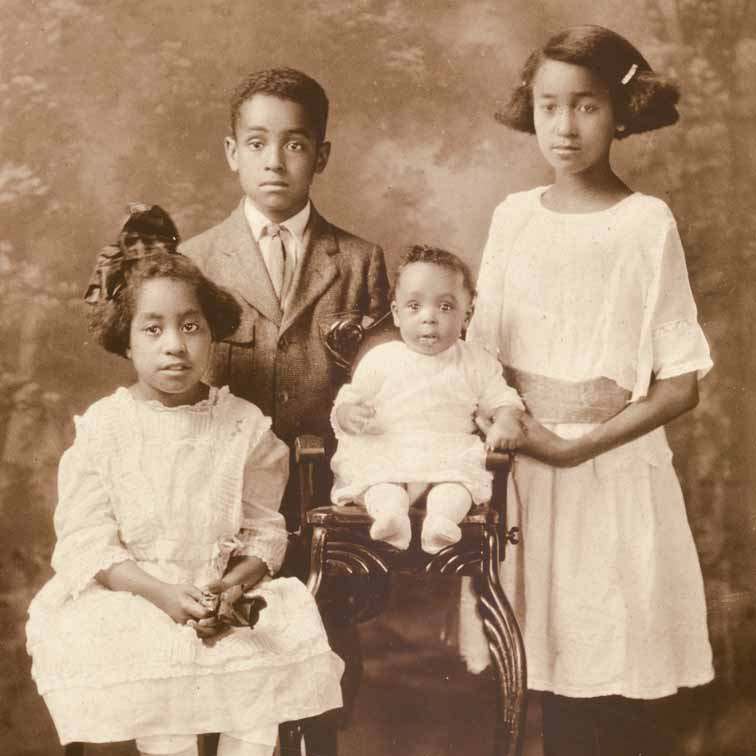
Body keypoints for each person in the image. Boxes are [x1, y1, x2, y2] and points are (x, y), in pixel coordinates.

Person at [458, 25, 715, 756]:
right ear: (530, 111)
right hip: (526, 477)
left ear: (622, 111)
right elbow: (479, 355)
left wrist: (575, 450)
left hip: (610, 475)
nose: (565, 127)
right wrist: (511, 429)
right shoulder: (513, 217)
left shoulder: (645, 223)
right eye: (549, 106)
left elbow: (682, 383)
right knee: (541, 681)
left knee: (614, 683)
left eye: (588, 106)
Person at [26, 205, 344, 756]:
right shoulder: (107, 427)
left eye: (190, 326)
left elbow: (265, 533)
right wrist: (162, 594)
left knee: (257, 695)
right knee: (160, 700)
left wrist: (232, 585)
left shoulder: (242, 426)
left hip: (221, 596)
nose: (174, 344)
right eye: (153, 329)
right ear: (126, 341)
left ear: (212, 335)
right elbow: (87, 541)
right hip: (138, 597)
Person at [181, 67, 390, 743]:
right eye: (258, 142)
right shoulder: (194, 263)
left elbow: (384, 381)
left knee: (321, 673)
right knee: (216, 667)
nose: (275, 160)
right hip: (222, 502)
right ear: (231, 151)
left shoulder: (359, 262)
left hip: (322, 505)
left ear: (321, 155)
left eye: (296, 144)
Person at [330, 245, 524, 553]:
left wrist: (506, 421)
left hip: (446, 450)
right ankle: (391, 518)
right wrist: (348, 413)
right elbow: (349, 398)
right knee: (381, 485)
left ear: (467, 314)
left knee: (457, 486)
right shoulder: (381, 358)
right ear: (396, 313)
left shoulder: (475, 360)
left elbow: (502, 399)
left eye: (445, 307)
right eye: (414, 306)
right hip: (390, 447)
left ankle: (442, 522)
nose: (429, 318)